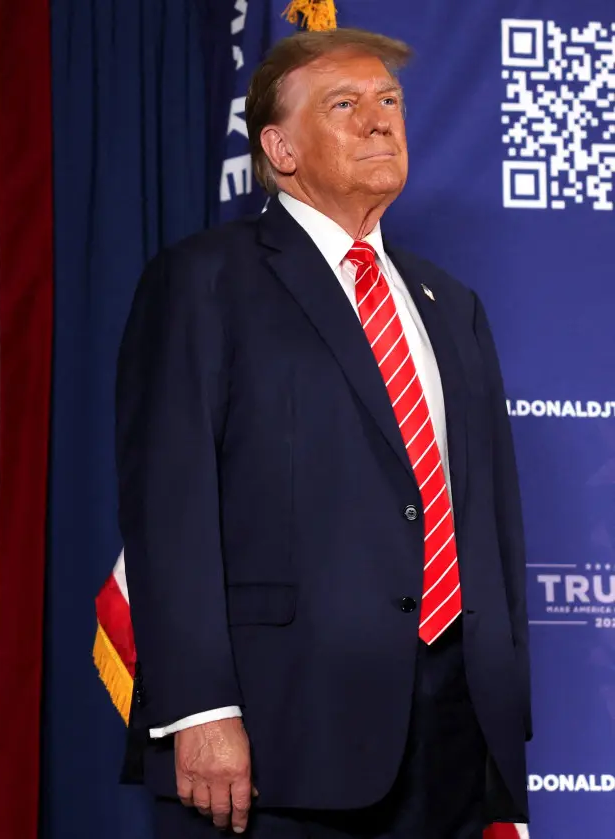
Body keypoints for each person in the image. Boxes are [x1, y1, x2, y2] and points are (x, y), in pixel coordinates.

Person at [114, 27, 531, 839]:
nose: (381, 122)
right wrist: (199, 707)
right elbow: (171, 509)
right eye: (346, 105)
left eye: (390, 102)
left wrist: (501, 762)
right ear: (281, 147)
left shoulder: (453, 304)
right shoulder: (204, 282)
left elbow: (490, 526)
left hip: (453, 742)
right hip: (278, 744)